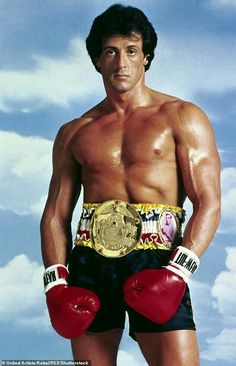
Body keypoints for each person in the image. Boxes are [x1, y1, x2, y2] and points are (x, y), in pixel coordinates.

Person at [40, 4, 221, 366]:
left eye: (131, 51)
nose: (121, 62)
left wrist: (177, 273)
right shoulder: (75, 132)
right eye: (110, 51)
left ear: (146, 58)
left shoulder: (181, 116)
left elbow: (208, 203)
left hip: (156, 261)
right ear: (97, 61)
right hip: (90, 262)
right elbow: (56, 216)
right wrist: (55, 285)